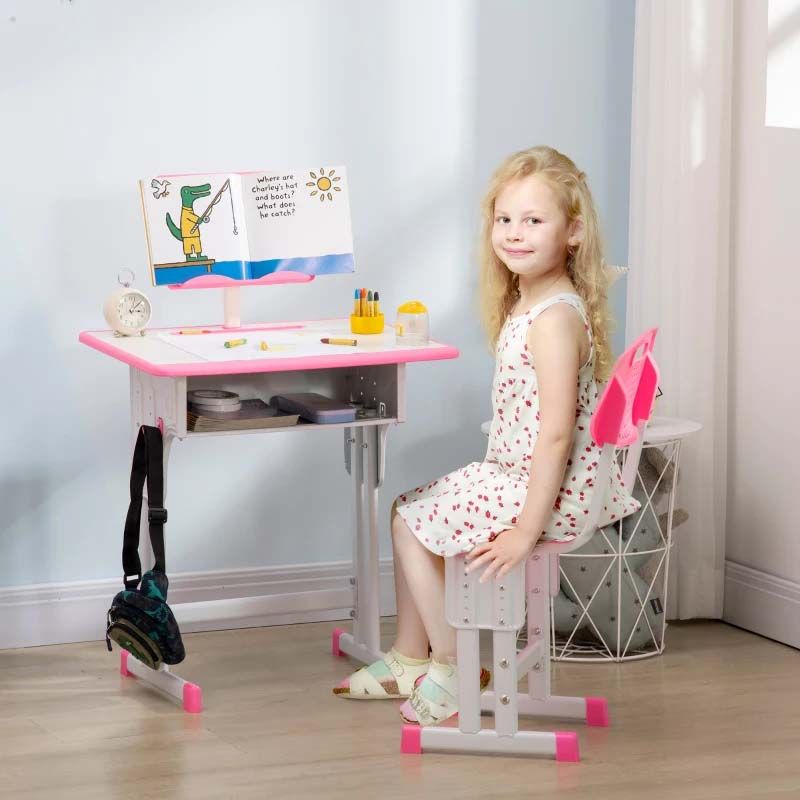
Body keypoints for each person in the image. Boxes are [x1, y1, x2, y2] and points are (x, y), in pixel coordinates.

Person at [333, 146, 639, 726]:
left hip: (544, 490)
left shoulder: (553, 320)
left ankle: (453, 663)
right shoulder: (533, 299)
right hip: (519, 474)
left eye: (534, 220)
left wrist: (526, 529)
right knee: (406, 508)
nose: (515, 234)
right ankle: (408, 656)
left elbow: (554, 436)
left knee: (408, 525)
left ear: (573, 231)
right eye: (505, 219)